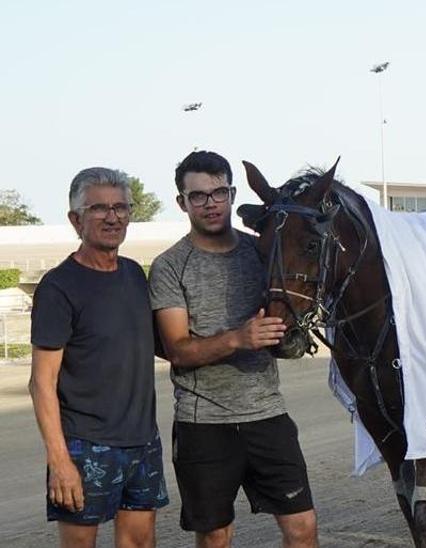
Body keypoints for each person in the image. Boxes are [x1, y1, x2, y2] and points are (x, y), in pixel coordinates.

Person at [150, 150, 318, 548]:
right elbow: (178, 350)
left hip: (268, 415)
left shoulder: (262, 251)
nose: (210, 204)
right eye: (198, 196)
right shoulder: (170, 265)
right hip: (203, 423)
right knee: (215, 536)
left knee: (303, 528)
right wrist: (238, 339)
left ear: (231, 193)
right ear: (182, 202)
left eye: (219, 193)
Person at [29, 167, 168, 548]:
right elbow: (41, 381)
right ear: (76, 219)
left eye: (121, 207)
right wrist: (59, 461)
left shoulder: (134, 275)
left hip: (142, 441)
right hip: (84, 445)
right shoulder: (59, 287)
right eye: (99, 208)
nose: (113, 217)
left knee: (140, 544)